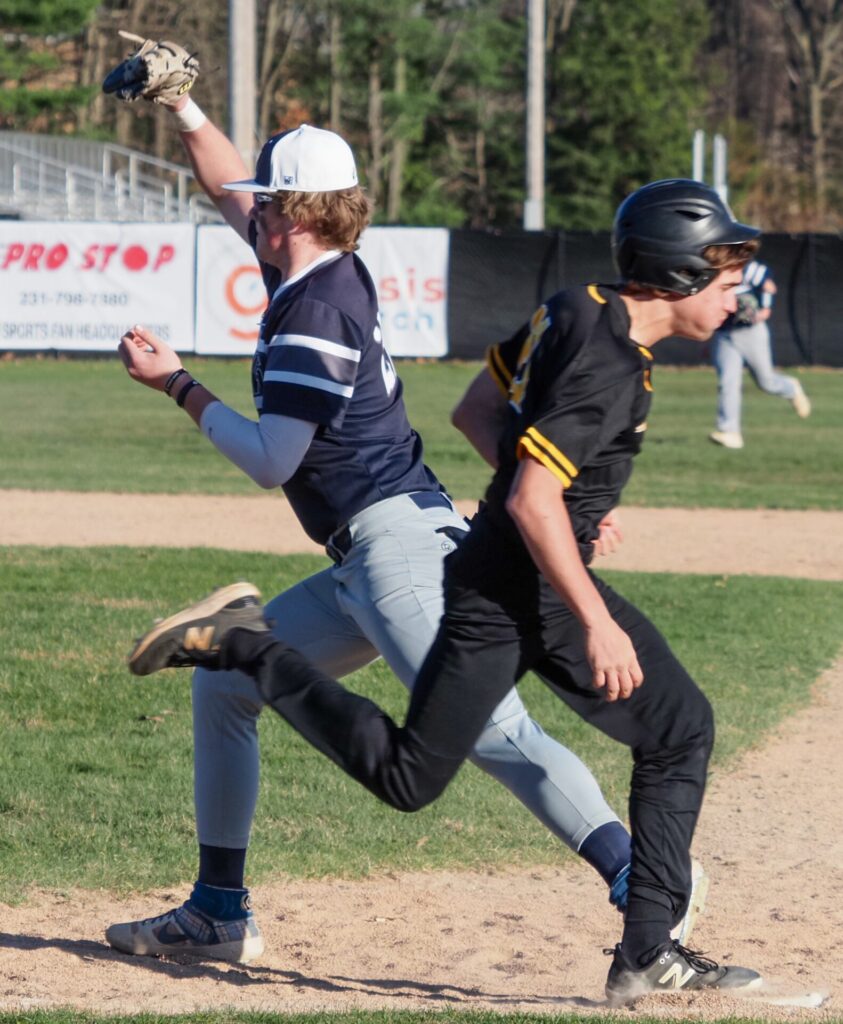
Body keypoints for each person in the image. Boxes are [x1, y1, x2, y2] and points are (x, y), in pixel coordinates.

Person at [125, 179, 765, 1004]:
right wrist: (590, 603)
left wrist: (560, 511)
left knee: (674, 726)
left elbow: (475, 411)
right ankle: (241, 667)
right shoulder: (612, 367)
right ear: (677, 275)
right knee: (447, 759)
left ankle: (647, 935)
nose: (736, 286)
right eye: (722, 269)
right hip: (475, 574)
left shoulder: (571, 308)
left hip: (455, 552)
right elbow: (528, 492)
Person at [709, 257, 810, 449]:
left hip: (750, 331)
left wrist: (765, 307)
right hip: (723, 332)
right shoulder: (711, 268)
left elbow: (769, 287)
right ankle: (730, 432)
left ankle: (791, 388)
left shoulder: (745, 267)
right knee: (727, 382)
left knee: (766, 382)